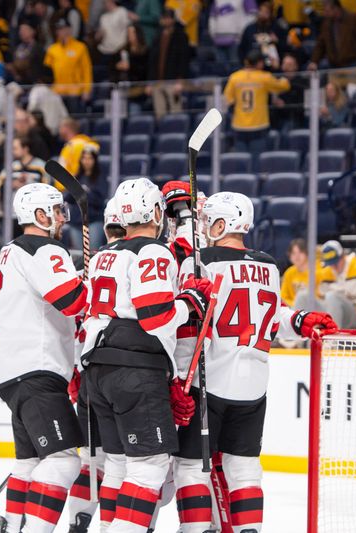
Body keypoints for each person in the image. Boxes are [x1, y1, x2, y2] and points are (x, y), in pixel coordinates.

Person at [173, 192, 337, 533]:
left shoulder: (199, 262)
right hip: (253, 386)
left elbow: (189, 325)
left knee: (190, 468)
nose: (202, 228)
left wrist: (178, 378)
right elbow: (273, 314)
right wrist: (301, 319)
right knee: (244, 468)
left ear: (221, 224)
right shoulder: (268, 265)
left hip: (210, 381)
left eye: (208, 221)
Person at [80, 177, 210, 533]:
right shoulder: (152, 251)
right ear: (155, 212)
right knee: (150, 467)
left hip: (98, 370)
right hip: (134, 368)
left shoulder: (106, 254)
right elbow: (156, 317)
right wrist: (190, 302)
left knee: (119, 466)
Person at [0, 183, 87, 533]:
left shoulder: (9, 251)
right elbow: (71, 301)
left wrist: (81, 278)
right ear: (40, 216)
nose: (62, 217)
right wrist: (100, 278)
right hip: (36, 367)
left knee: (27, 462)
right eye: (57, 211)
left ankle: (12, 527)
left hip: (11, 370)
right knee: (63, 462)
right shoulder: (45, 248)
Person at [65, 198, 125, 533]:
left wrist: (74, 368)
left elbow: (72, 320)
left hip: (89, 377)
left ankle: (78, 522)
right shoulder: (140, 259)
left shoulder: (90, 267)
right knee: (122, 463)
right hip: (124, 371)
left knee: (92, 459)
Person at [296, 240, 356, 329]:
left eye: (336, 263)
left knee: (332, 296)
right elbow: (319, 294)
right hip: (330, 312)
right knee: (303, 296)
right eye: (330, 264)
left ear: (343, 256)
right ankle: (292, 343)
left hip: (355, 314)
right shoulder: (326, 272)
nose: (334, 267)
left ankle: (331, 341)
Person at [224, 49, 290, 154]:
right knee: (256, 162)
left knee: (242, 161)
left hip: (239, 125)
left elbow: (228, 99)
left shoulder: (234, 77)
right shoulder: (264, 77)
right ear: (259, 63)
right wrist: (284, 75)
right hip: (259, 125)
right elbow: (284, 86)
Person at [309, 0, 356, 86]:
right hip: (334, 66)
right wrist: (314, 61)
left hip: (352, 64)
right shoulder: (326, 24)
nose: (324, 13)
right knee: (336, 94)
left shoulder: (353, 19)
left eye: (327, 10)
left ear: (336, 9)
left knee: (352, 91)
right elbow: (321, 44)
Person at [147, 9, 191, 118]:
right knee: (159, 112)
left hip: (173, 80)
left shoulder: (181, 36)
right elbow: (152, 61)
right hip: (158, 81)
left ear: (172, 19)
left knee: (175, 111)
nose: (165, 20)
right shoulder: (157, 36)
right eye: (163, 18)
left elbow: (183, 59)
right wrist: (150, 82)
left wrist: (180, 80)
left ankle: (177, 133)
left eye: (167, 18)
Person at [44, 18, 93, 114]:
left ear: (69, 29)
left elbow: (86, 69)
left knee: (74, 119)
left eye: (64, 28)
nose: (62, 32)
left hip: (74, 91)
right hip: (57, 91)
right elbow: (47, 71)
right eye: (59, 29)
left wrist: (87, 90)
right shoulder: (52, 49)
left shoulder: (80, 47)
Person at [65, 145, 107, 250]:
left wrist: (81, 193)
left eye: (90, 158)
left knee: (92, 253)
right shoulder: (77, 177)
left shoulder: (100, 177)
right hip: (76, 222)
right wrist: (82, 193)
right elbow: (68, 197)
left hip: (94, 220)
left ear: (95, 160)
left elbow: (99, 199)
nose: (86, 161)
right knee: (80, 256)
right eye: (84, 158)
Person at [238, 0, 283, 71]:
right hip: (251, 67)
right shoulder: (250, 28)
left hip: (271, 67)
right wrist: (245, 63)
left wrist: (277, 41)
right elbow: (241, 49)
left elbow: (285, 48)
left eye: (266, 12)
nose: (263, 14)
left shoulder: (276, 28)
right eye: (261, 11)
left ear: (270, 14)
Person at [27, 72, 70, 138]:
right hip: (54, 131)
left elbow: (32, 107)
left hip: (41, 130)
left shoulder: (37, 90)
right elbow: (65, 115)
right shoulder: (55, 95)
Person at [9, 20, 45, 85]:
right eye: (20, 30)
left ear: (33, 31)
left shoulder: (39, 48)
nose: (21, 32)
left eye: (25, 29)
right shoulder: (17, 48)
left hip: (36, 83)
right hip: (20, 83)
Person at [95, 0, 129, 66]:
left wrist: (125, 48)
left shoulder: (122, 11)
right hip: (104, 50)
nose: (105, 4)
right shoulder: (103, 17)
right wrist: (99, 35)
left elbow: (128, 30)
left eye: (107, 2)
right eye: (104, 2)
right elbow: (98, 37)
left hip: (118, 50)